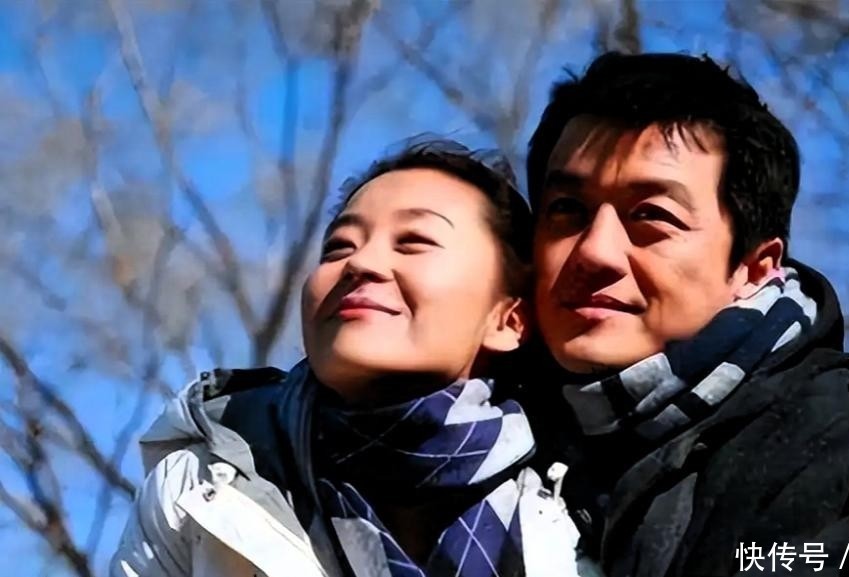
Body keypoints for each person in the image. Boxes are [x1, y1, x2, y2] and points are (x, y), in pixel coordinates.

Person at [508, 51, 849, 577]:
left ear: (754, 268)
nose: (594, 253)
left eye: (652, 215)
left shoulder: (839, 443)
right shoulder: (483, 415)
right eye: (567, 210)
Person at [109, 139, 587, 577]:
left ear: (508, 321)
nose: (360, 263)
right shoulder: (198, 491)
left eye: (414, 242)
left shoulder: (583, 501)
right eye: (338, 247)